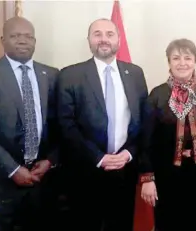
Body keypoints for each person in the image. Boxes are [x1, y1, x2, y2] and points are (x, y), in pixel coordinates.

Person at [0, 17, 59, 231]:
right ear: (2, 40)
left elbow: (61, 125)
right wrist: (13, 169)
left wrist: (50, 161)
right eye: (15, 36)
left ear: (35, 41)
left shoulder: (52, 75)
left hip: (41, 182)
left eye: (28, 37)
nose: (22, 41)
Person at [57, 18, 148, 231]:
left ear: (118, 39)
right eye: (97, 34)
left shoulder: (135, 73)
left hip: (124, 169)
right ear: (88, 40)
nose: (103, 39)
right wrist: (99, 158)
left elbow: (143, 121)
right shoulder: (70, 75)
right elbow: (66, 124)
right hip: (85, 171)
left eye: (109, 34)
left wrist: (128, 154)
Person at [139, 38, 196, 231]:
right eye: (176, 58)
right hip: (165, 175)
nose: (182, 63)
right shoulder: (157, 95)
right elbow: (146, 140)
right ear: (168, 62)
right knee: (167, 223)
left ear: (195, 61)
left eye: (188, 57)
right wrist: (147, 177)